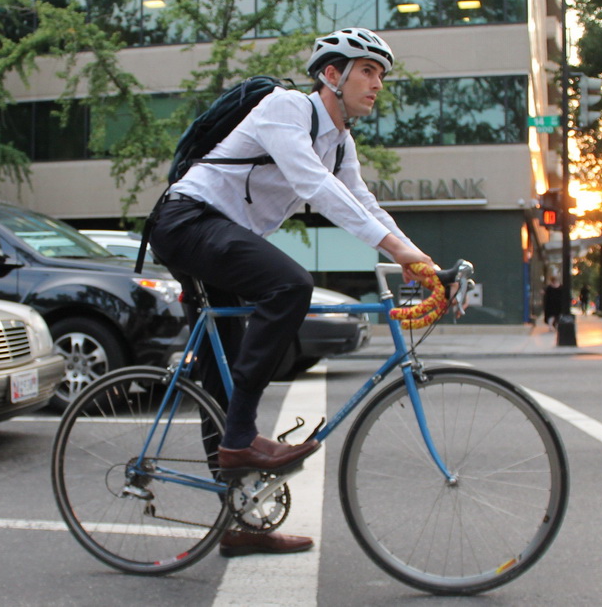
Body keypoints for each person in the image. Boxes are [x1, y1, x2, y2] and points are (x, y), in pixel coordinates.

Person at [148, 28, 436, 558]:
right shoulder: (286, 109)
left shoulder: (339, 141)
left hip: (223, 235)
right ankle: (241, 439)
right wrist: (397, 252)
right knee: (291, 283)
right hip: (187, 221)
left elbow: (363, 203)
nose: (377, 84)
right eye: (367, 71)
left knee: (221, 379)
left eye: (381, 75)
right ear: (332, 74)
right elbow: (315, 188)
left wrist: (419, 259)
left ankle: (238, 523)